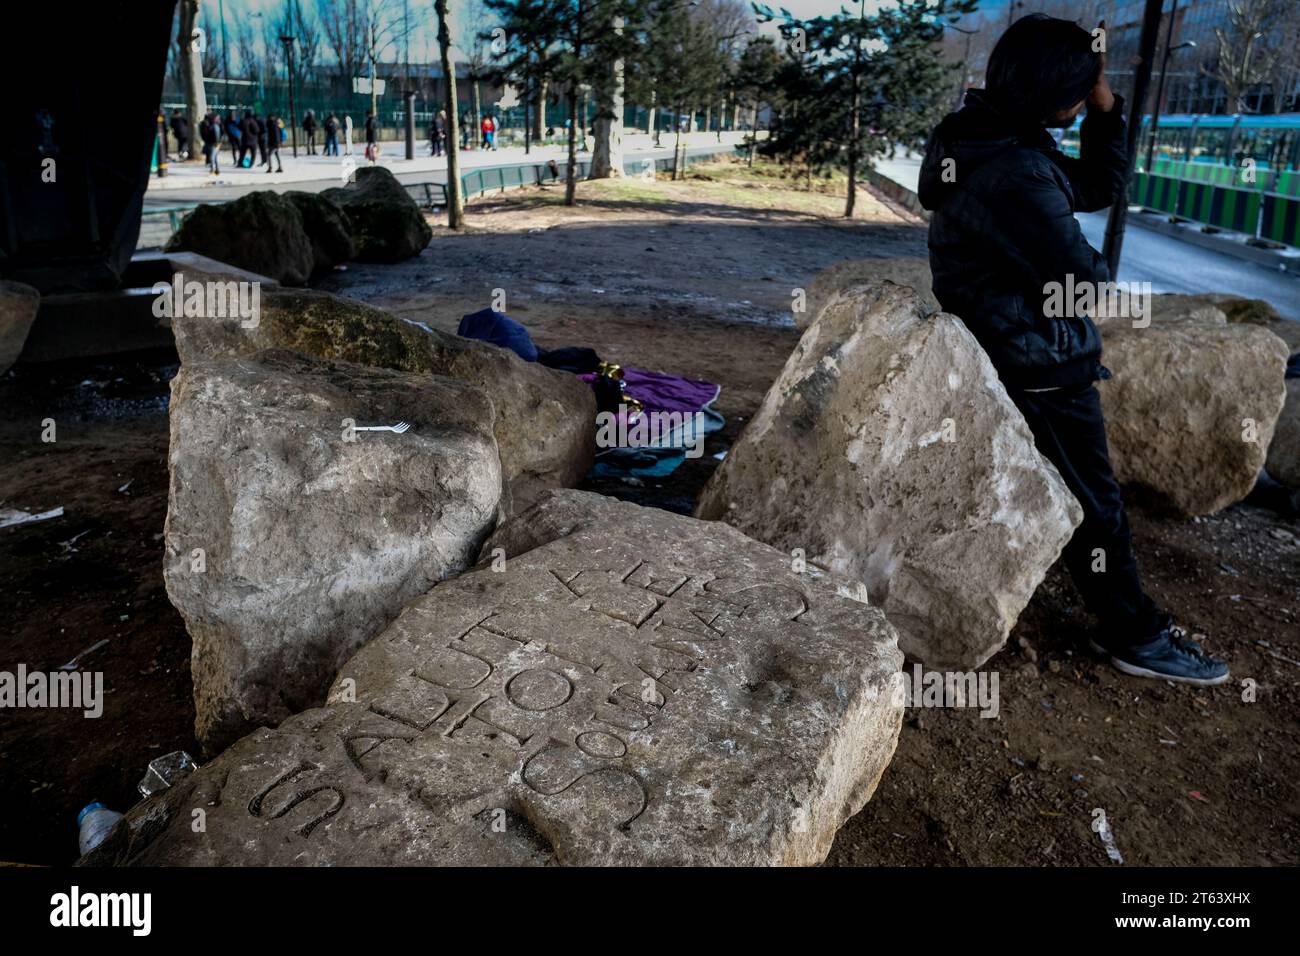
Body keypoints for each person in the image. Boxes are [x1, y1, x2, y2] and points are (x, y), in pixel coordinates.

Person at [918, 13, 1228, 685]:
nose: (1091, 96)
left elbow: (1089, 188)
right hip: (1038, 364)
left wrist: (1106, 115)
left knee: (1049, 493)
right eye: (1085, 89)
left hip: (1001, 344)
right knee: (1097, 505)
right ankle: (1134, 634)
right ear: (1056, 92)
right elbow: (1084, 280)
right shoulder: (1019, 169)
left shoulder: (986, 134)